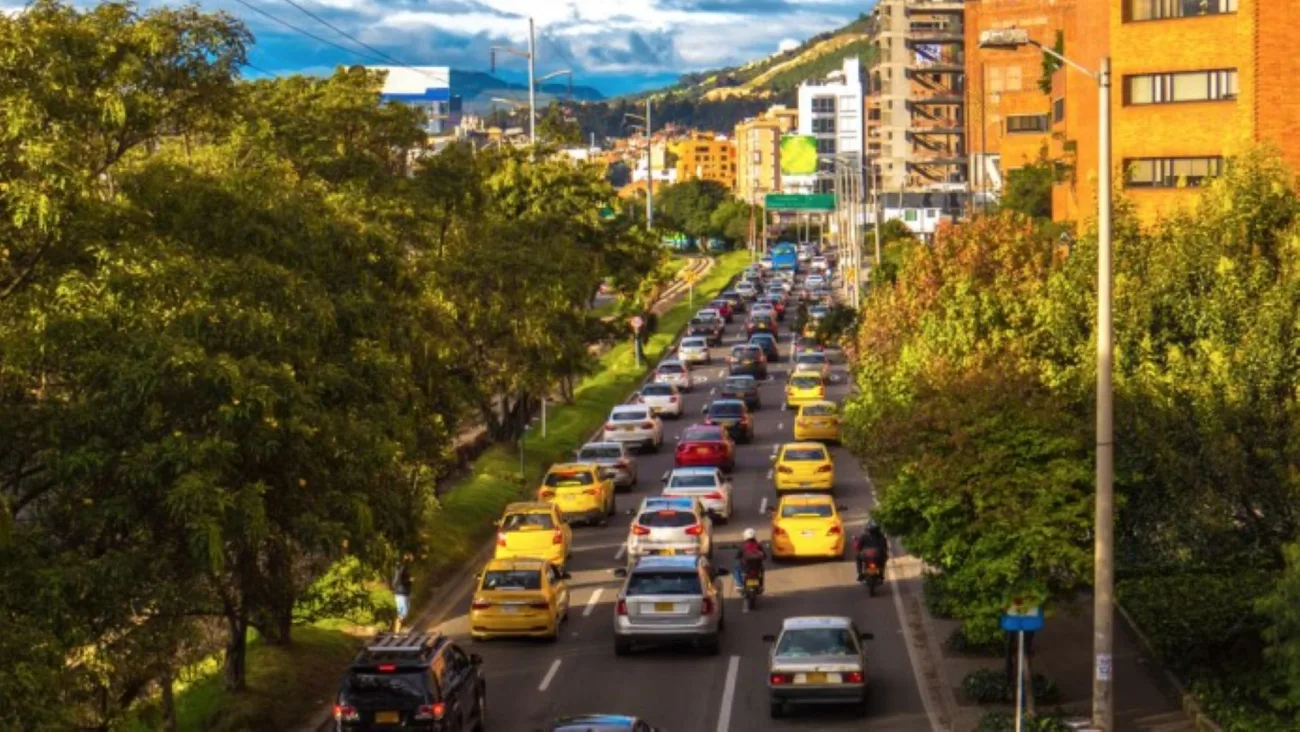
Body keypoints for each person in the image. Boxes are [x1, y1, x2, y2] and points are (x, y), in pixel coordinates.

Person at [733, 528, 767, 593]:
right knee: (762, 570)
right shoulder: (758, 545)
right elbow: (765, 556)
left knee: (736, 568)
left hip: (746, 569)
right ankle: (761, 585)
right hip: (757, 568)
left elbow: (737, 556)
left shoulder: (742, 546)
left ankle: (740, 584)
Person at [392, 554, 413, 631]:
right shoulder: (401, 568)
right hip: (401, 593)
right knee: (403, 612)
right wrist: (409, 580)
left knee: (404, 612)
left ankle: (400, 630)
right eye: (410, 556)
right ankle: (397, 631)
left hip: (405, 592)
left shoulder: (403, 567)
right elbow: (399, 581)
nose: (412, 558)